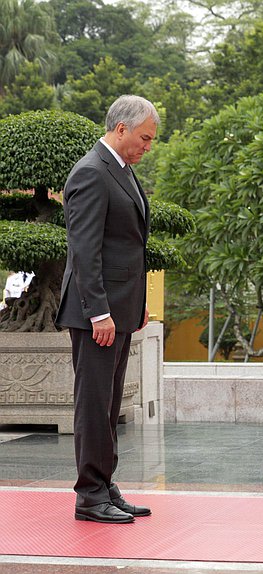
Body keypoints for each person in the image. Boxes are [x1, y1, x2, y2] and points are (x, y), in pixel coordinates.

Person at [55, 95, 158, 524]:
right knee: (94, 404)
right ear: (121, 129)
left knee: (109, 401)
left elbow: (128, 246)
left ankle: (104, 484)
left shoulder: (122, 170)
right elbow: (85, 250)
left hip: (120, 311)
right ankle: (89, 495)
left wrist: (136, 305)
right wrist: (99, 312)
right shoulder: (92, 173)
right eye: (144, 138)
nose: (147, 146)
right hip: (96, 314)